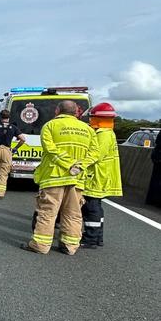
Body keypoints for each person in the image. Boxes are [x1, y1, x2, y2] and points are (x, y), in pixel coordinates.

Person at [21, 100, 99, 256]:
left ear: (57, 110)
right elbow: (95, 154)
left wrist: (68, 164)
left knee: (48, 212)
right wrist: (78, 166)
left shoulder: (50, 126)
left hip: (54, 176)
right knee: (73, 214)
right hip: (77, 178)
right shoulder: (88, 130)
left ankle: (41, 245)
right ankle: (69, 246)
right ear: (76, 112)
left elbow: (50, 149)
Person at [81, 103, 122, 249]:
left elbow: (96, 155)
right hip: (101, 174)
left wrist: (80, 165)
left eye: (92, 117)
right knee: (96, 206)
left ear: (97, 118)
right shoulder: (107, 132)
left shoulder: (103, 134)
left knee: (91, 207)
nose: (90, 120)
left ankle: (90, 238)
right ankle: (97, 237)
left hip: (97, 175)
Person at [146, 131, 161, 207]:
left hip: (157, 156)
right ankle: (156, 200)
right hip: (158, 157)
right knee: (157, 181)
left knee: (155, 179)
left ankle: (151, 200)